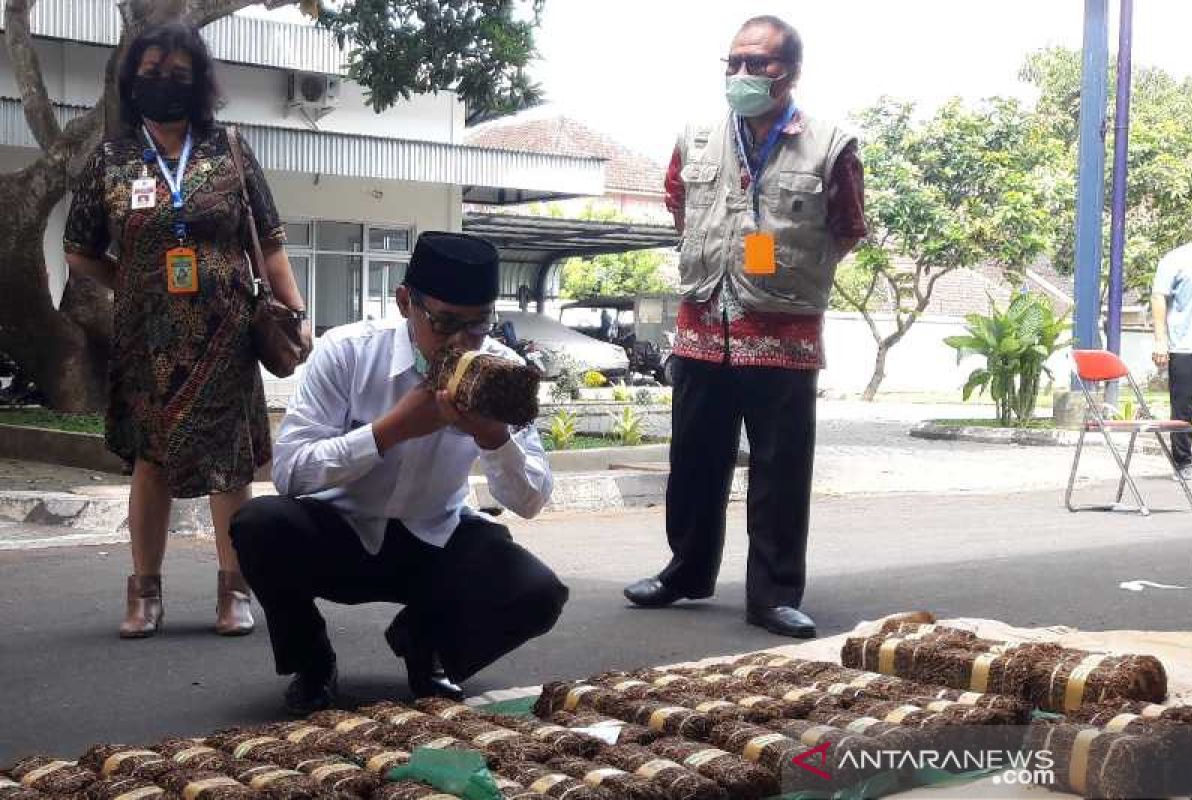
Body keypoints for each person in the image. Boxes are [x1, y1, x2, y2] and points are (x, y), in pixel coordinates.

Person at [230, 231, 567, 715]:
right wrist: (388, 431)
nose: (460, 342)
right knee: (259, 525)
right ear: (405, 302)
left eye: (478, 326)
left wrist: (494, 436)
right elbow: (290, 472)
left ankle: (427, 645)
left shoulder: (505, 372)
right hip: (339, 531)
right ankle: (313, 662)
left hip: (434, 537)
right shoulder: (346, 352)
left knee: (537, 592)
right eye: (445, 322)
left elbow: (531, 501)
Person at [623, 15, 867, 638]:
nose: (741, 74)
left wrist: (785, 273)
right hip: (704, 318)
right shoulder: (697, 133)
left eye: (756, 63)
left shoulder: (831, 143)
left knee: (781, 469)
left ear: (789, 72)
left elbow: (847, 228)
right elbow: (680, 201)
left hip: (782, 331)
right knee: (695, 458)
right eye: (732, 63)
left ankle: (773, 594)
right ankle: (686, 571)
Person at [64, 23, 306, 638]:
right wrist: (134, 282)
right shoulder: (113, 159)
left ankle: (235, 590)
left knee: (228, 466)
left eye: (177, 73)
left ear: (199, 81)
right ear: (131, 81)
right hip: (147, 337)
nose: (163, 84)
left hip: (225, 334)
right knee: (151, 462)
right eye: (150, 73)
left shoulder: (229, 148)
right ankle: (145, 593)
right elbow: (77, 249)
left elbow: (271, 243)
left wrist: (294, 311)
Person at [1151, 241, 1192, 481]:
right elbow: (1159, 297)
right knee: (1184, 408)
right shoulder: (1177, 258)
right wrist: (1161, 340)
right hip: (1186, 346)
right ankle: (1182, 464)